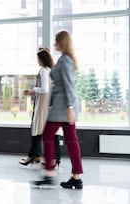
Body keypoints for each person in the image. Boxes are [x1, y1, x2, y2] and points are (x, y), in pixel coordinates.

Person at [33, 30, 83, 189]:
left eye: (56, 41)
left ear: (62, 42)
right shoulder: (65, 59)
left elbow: (69, 85)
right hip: (63, 107)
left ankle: (49, 172)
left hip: (63, 108)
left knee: (47, 135)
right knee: (71, 141)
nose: (54, 44)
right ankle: (76, 177)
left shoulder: (66, 60)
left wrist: (69, 107)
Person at [19, 47, 62, 167]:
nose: (37, 61)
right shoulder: (50, 70)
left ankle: (33, 157)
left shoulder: (43, 70)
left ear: (41, 59)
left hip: (43, 105)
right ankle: (52, 159)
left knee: (39, 131)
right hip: (48, 104)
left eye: (38, 58)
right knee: (49, 133)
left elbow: (44, 89)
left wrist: (32, 90)